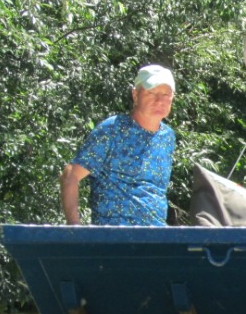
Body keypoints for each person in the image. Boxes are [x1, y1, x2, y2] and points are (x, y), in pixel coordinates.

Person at [61, 64, 177, 226]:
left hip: (155, 238)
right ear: (135, 95)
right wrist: (75, 228)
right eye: (151, 93)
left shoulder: (168, 137)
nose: (159, 100)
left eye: (165, 94)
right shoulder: (112, 129)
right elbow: (71, 175)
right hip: (112, 238)